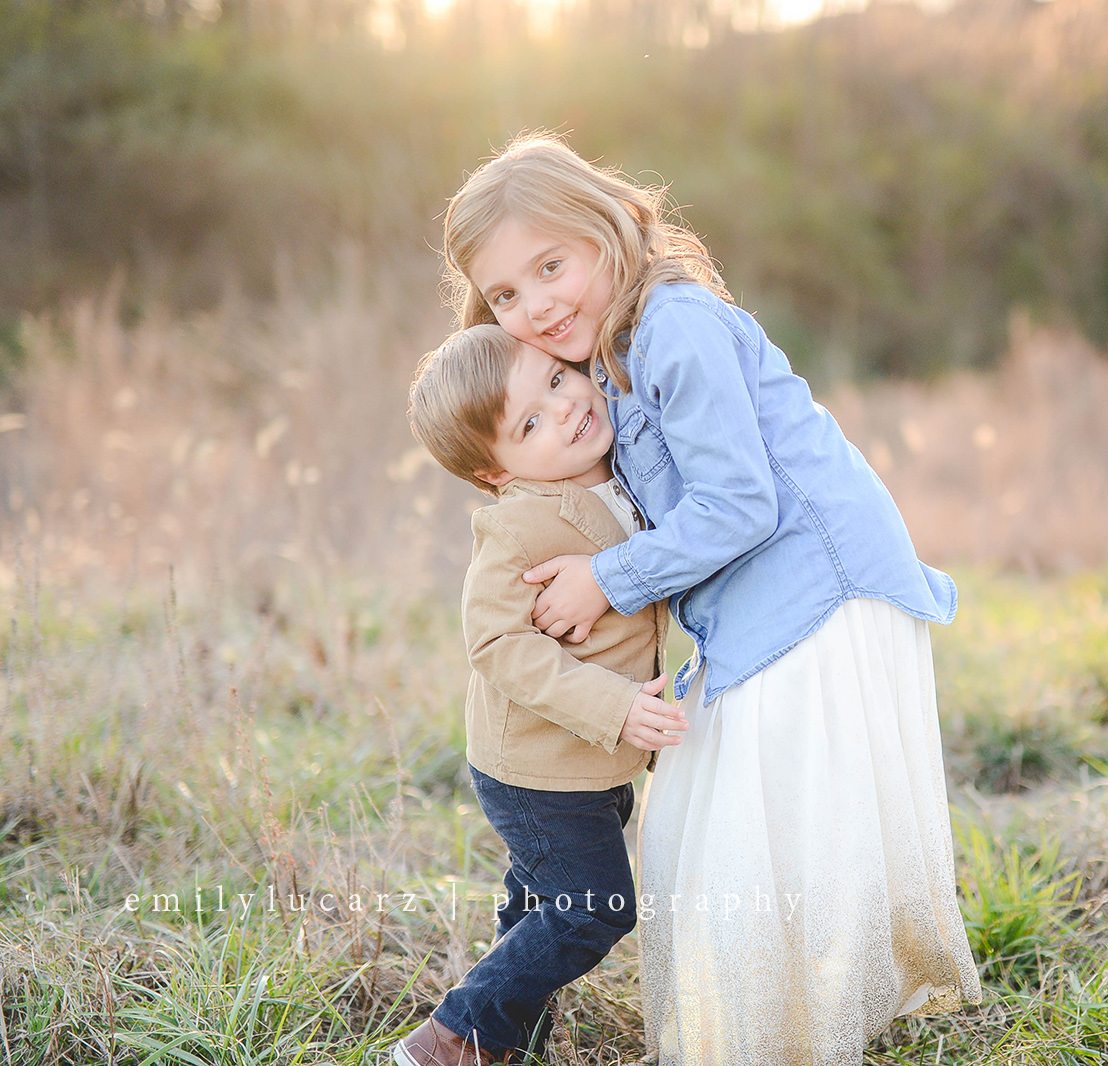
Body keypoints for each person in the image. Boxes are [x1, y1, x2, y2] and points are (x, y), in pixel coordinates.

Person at [440, 133, 982, 1065]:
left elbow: (738, 504)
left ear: (606, 230)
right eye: (506, 294)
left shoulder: (674, 327)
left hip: (820, 588)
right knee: (722, 814)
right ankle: (775, 1021)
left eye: (550, 266)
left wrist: (604, 580)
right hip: (767, 603)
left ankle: (786, 1029)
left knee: (759, 818)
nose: (535, 306)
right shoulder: (604, 364)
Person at [399, 323, 689, 1066]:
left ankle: (506, 1041)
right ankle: (452, 1037)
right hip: (534, 770)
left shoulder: (619, 468)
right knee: (595, 906)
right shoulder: (518, 525)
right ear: (495, 472)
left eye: (556, 381)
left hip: (585, 765)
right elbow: (495, 644)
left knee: (535, 902)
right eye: (529, 423)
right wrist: (614, 706)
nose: (563, 409)